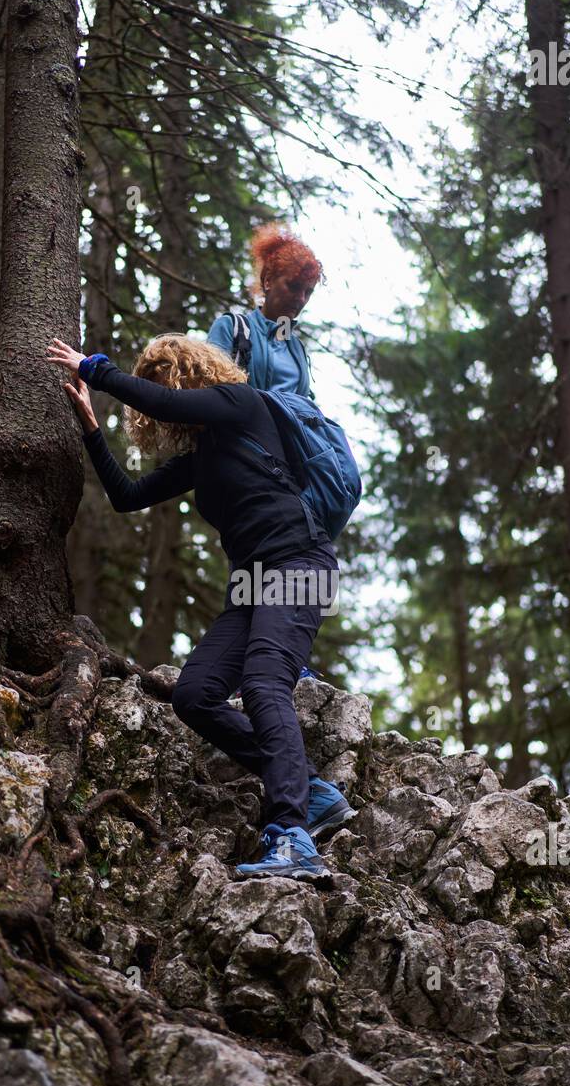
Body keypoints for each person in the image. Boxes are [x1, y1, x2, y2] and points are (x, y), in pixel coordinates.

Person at [46, 332, 357, 884]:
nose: (163, 395)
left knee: (264, 683)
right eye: (155, 384)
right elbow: (126, 495)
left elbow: (162, 404)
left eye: (166, 379)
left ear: (190, 374)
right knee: (194, 694)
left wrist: (93, 367)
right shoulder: (202, 455)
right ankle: (312, 790)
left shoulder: (243, 405)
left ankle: (293, 836)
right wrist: (93, 429)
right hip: (251, 586)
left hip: (300, 567)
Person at [206, 223, 321, 398]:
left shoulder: (297, 348)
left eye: (308, 292)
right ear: (268, 281)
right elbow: (209, 389)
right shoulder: (232, 327)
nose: (301, 298)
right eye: (293, 286)